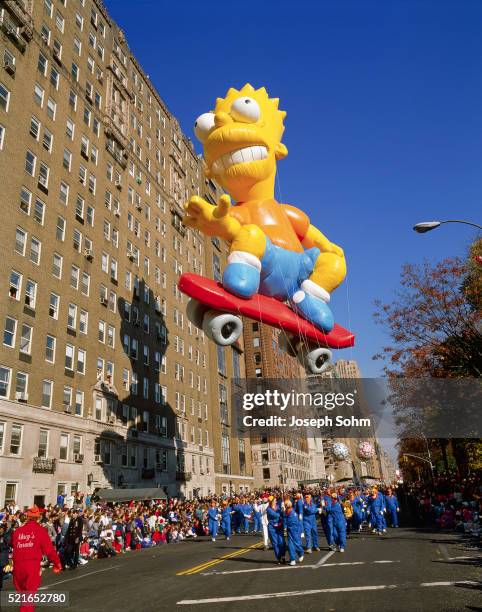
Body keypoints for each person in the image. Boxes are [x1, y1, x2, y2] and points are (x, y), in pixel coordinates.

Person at [12, 505, 62, 612]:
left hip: (17, 568)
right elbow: (49, 550)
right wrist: (57, 563)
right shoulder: (40, 531)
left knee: (24, 598)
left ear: (28, 517)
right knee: (28, 599)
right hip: (31, 567)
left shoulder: (17, 532)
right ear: (38, 517)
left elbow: (13, 546)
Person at [284, 500, 304, 566]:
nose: (286, 507)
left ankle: (301, 553)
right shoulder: (286, 512)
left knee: (297, 544)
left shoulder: (293, 513)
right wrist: (285, 527)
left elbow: (293, 523)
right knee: (290, 545)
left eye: (287, 506)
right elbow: (285, 520)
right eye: (286, 506)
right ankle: (292, 559)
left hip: (295, 530)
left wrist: (286, 526)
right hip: (290, 531)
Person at [266, 498, 286, 564]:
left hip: (280, 526)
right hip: (272, 527)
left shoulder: (278, 507)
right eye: (275, 501)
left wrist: (283, 510)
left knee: (281, 542)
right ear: (271, 501)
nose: (276, 501)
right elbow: (275, 515)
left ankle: (283, 556)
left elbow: (283, 515)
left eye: (276, 500)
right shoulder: (268, 509)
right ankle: (279, 558)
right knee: (275, 543)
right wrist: (281, 512)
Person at [0, 520, 12, 591]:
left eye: (1, 528)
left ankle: (7, 575)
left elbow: (7, 545)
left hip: (3, 558)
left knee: (1, 573)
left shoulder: (6, 536)